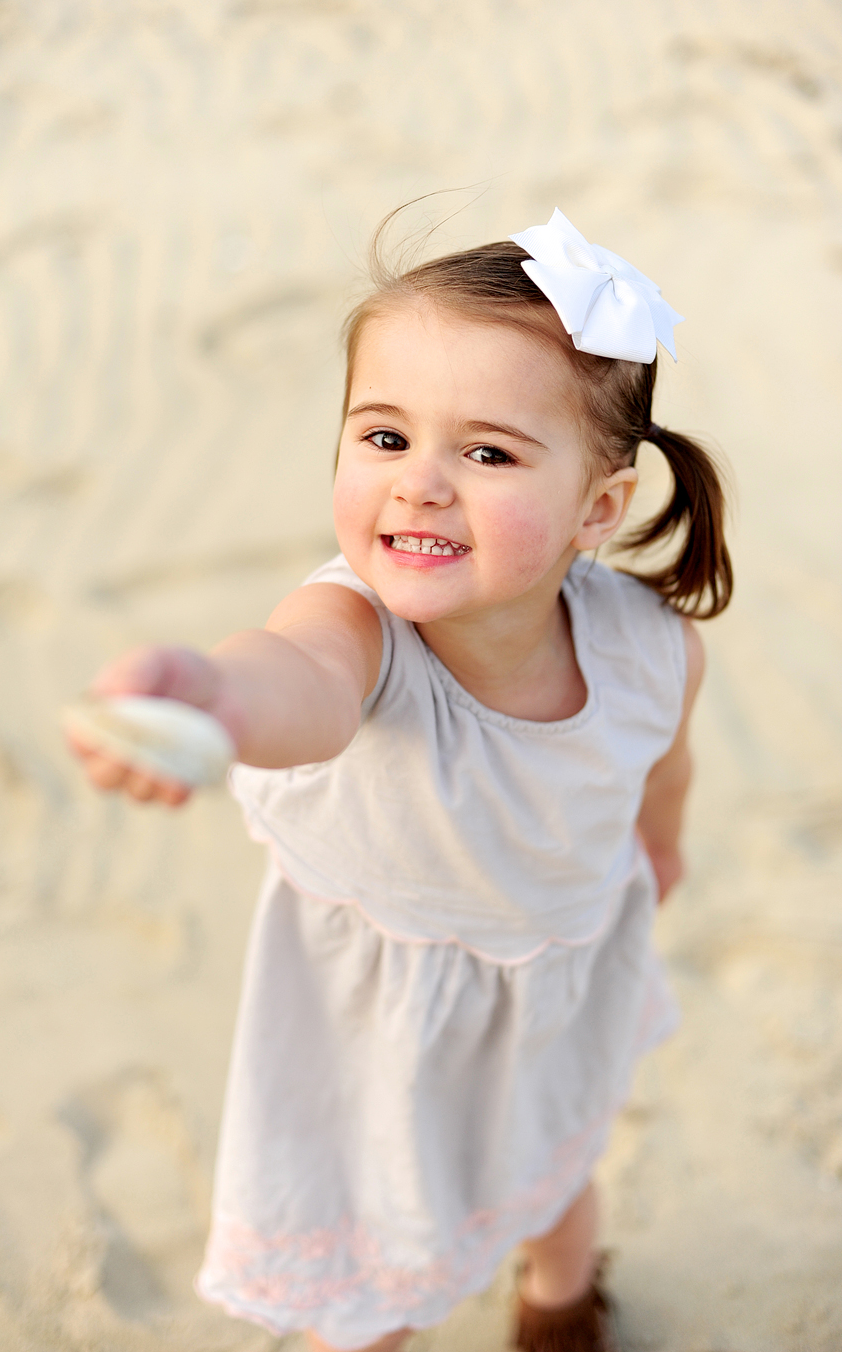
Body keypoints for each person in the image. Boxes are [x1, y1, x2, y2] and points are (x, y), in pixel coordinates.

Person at [67, 208, 732, 1352]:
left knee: (559, 1157)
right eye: (383, 437)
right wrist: (206, 696)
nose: (420, 485)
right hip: (381, 1029)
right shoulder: (357, 632)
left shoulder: (651, 646)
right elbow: (293, 684)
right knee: (378, 1274)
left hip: (553, 983)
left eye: (487, 453)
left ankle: (562, 1301)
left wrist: (659, 848)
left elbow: (662, 759)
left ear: (599, 508)